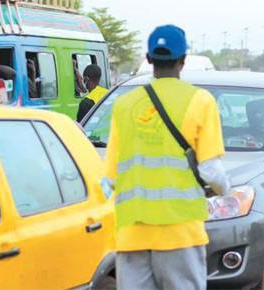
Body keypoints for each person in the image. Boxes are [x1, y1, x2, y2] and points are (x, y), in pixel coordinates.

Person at [105, 24, 231, 290]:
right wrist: (223, 190)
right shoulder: (200, 101)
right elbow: (211, 172)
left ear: (149, 59)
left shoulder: (123, 105)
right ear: (183, 60)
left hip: (132, 233)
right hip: (180, 233)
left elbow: (113, 179)